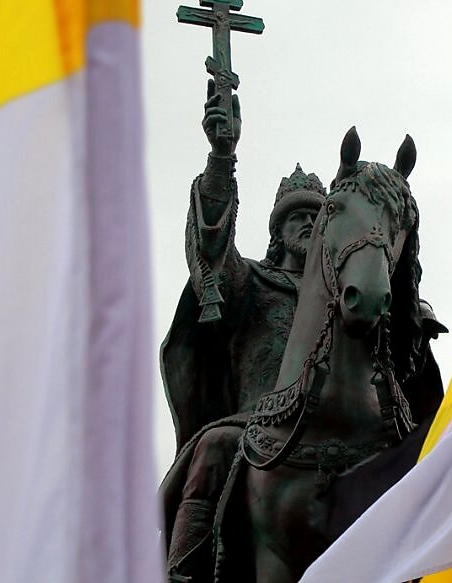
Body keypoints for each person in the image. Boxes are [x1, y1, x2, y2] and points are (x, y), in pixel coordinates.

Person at [159, 82, 328, 581]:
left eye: (316, 217)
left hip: (336, 430)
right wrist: (221, 158)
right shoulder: (253, 282)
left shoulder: (346, 302)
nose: (307, 224)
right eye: (297, 217)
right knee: (216, 447)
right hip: (258, 424)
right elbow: (211, 251)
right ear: (278, 234)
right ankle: (184, 569)